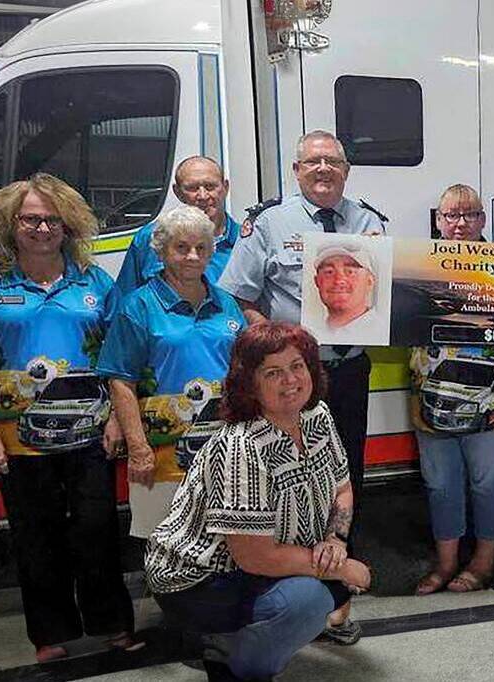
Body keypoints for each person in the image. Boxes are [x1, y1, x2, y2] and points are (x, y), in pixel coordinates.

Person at [0, 174, 137, 662]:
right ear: (10, 225)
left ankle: (112, 624)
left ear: (68, 225)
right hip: (19, 440)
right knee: (36, 538)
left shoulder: (95, 282)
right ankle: (49, 635)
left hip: (91, 435)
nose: (42, 228)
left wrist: (119, 421)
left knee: (97, 532)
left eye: (51, 219)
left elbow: (118, 357)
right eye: (31, 218)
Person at [146, 322, 371, 681]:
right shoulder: (241, 446)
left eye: (298, 366)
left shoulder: (318, 417)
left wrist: (335, 542)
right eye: (273, 372)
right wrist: (340, 567)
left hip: (259, 559)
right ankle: (233, 658)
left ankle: (238, 641)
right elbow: (254, 556)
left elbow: (342, 487)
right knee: (310, 599)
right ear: (249, 382)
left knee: (325, 587)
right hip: (199, 578)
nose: (291, 380)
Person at [218, 130, 384, 554]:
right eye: (313, 162)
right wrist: (275, 348)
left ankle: (344, 548)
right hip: (291, 376)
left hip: (348, 368)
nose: (323, 169)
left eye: (332, 162)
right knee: (290, 465)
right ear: (297, 171)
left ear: (346, 171)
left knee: (348, 461)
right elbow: (239, 295)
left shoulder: (370, 222)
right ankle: (294, 554)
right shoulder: (269, 222)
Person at [97, 205, 246, 537]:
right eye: (181, 247)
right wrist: (138, 449)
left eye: (201, 248)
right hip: (163, 451)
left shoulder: (227, 303)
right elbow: (121, 381)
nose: (193, 256)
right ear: (161, 251)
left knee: (230, 541)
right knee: (168, 543)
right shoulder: (138, 306)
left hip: (225, 449)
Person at [410, 184, 494, 595]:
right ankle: (446, 563)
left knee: (487, 482)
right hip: (432, 393)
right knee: (440, 482)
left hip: (492, 394)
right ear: (438, 220)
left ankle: (484, 562)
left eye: (470, 215)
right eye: (451, 215)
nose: (460, 223)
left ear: (483, 220)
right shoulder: (416, 266)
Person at [116, 156, 239, 294]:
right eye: (192, 188)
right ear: (177, 192)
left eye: (210, 187)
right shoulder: (151, 237)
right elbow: (123, 304)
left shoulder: (245, 241)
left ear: (225, 188)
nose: (203, 196)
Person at [312, 241, 380, 340]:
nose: (339, 280)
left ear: (369, 281)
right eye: (329, 272)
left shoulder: (380, 331)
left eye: (350, 271)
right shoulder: (310, 332)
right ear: (317, 281)